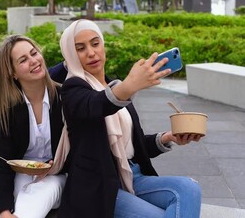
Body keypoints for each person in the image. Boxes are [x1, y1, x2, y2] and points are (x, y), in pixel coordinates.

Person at [57, 19, 203, 218]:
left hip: (134, 175)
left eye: (95, 43)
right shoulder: (73, 89)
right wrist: (130, 85)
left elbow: (134, 144)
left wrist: (167, 138)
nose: (91, 52)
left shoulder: (112, 85)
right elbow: (97, 105)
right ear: (71, 55)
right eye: (80, 48)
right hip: (102, 186)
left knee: (189, 188)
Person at [0, 35, 70, 218]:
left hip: (57, 174)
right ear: (13, 73)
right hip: (23, 174)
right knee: (21, 195)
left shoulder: (63, 98)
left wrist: (56, 167)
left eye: (34, 53)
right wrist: (3, 212)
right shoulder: (7, 108)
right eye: (23, 60)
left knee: (44, 189)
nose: (34, 61)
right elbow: (1, 163)